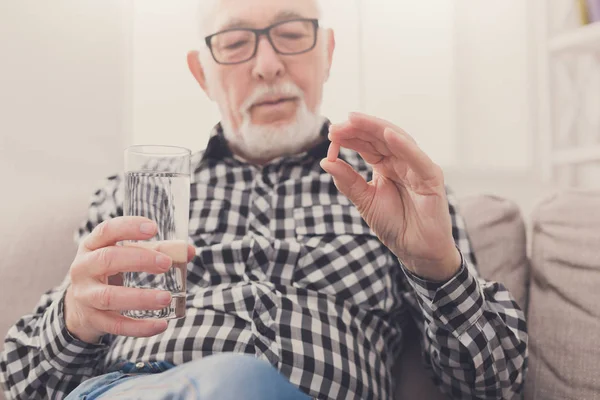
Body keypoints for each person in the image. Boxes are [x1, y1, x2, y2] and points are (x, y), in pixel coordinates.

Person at [0, 0, 528, 399]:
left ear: (328, 54)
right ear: (200, 71)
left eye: (293, 34)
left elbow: (497, 385)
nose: (269, 64)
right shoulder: (140, 193)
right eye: (234, 44)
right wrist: (72, 317)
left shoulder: (397, 191)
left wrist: (438, 267)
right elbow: (16, 380)